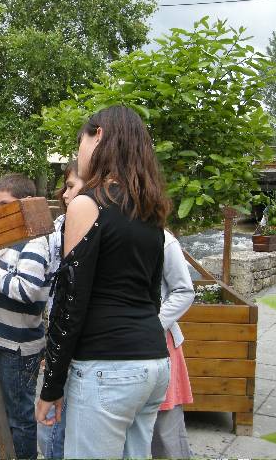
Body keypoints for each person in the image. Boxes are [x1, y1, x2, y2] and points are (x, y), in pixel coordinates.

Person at [35, 105, 172, 459]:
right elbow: (152, 294)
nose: (78, 153)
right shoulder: (149, 209)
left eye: (79, 141)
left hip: (107, 368)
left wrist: (51, 386)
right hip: (153, 363)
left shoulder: (88, 204)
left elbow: (70, 301)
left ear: (98, 135)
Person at [0, 173, 50, 460]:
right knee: (10, 412)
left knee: (19, 417)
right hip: (6, 342)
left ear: (26, 203)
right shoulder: (12, 239)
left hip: (18, 348)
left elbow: (27, 290)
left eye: (4, 205)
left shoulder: (33, 241)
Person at [37, 161, 84, 459]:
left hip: (76, 347)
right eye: (64, 187)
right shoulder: (59, 228)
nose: (65, 195)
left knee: (53, 427)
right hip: (59, 339)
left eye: (72, 187)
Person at [152, 230, 194, 459]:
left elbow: (184, 291)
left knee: (166, 432)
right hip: (123, 348)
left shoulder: (165, 240)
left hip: (161, 344)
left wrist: (151, 325)